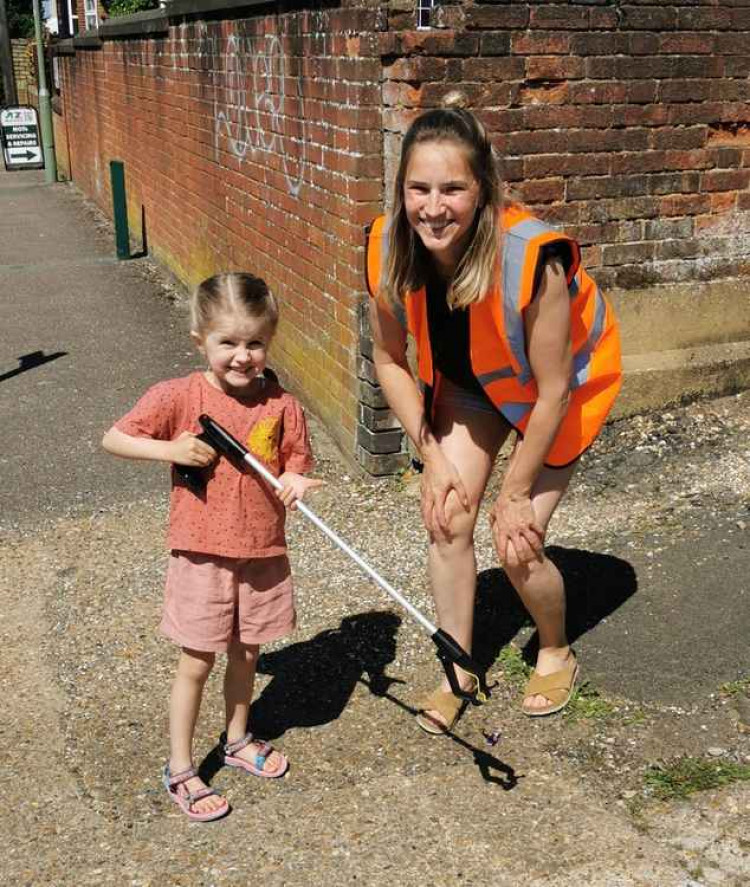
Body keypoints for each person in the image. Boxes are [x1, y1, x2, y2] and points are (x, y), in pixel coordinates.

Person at [367, 94, 622, 734]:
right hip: (474, 386)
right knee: (448, 517)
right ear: (400, 190)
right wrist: (430, 458)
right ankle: (458, 666)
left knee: (515, 544)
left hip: (558, 393)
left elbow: (556, 388)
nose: (433, 206)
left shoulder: (535, 261)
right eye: (418, 188)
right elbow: (390, 360)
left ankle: (556, 647)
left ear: (482, 190)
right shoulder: (387, 248)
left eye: (452, 188)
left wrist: (512, 492)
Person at [102, 272, 322, 819]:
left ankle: (238, 737)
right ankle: (180, 768)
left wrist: (297, 479)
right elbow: (115, 437)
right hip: (201, 553)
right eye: (228, 342)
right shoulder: (179, 395)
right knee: (196, 661)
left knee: (247, 653)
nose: (243, 356)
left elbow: (296, 458)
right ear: (200, 338)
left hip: (262, 551)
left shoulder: (282, 403)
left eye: (255, 343)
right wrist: (171, 450)